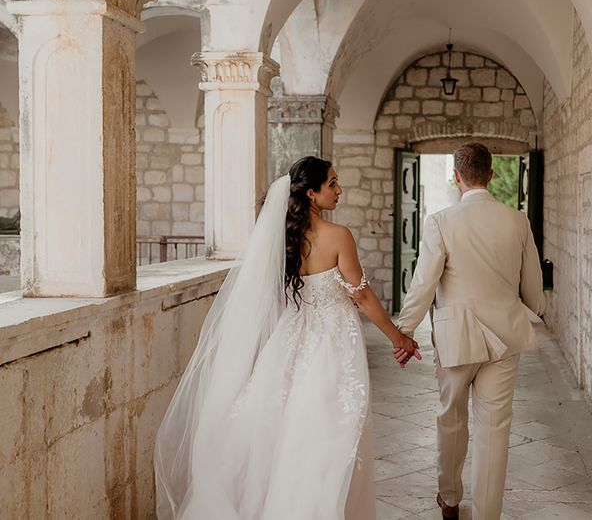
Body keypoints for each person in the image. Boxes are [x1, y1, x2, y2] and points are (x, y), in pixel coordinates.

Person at [155, 156, 420, 519]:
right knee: (331, 431)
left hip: (292, 336)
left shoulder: (283, 237)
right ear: (311, 193)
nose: (339, 190)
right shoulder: (338, 236)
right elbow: (361, 295)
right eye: (332, 184)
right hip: (333, 342)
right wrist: (398, 338)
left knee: (285, 429)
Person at [395, 142, 545, 520]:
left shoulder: (441, 222)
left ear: (456, 176)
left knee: (451, 418)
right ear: (491, 175)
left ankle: (449, 498)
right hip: (506, 336)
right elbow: (532, 287)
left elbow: (423, 282)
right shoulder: (517, 220)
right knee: (495, 429)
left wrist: (405, 330)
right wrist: (526, 309)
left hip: (455, 336)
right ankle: (487, 515)